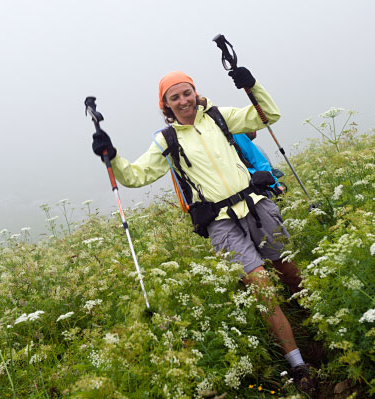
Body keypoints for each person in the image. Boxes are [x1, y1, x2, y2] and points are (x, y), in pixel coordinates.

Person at [92, 68, 315, 396]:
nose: (183, 100)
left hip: (255, 205)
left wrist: (251, 85)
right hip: (220, 222)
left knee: (287, 268)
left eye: (187, 93)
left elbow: (268, 116)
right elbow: (136, 176)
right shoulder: (166, 140)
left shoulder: (219, 118)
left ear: (196, 93)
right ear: (165, 105)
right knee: (261, 287)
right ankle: (298, 364)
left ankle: (314, 319)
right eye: (175, 97)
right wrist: (112, 156)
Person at [231, 132, 285, 198]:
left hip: (236, 192)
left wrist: (275, 184)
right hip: (254, 185)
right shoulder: (233, 133)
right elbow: (256, 159)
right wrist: (275, 185)